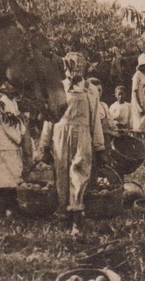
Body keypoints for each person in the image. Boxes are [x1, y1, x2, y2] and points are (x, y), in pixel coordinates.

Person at [38, 51, 106, 236]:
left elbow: (95, 120)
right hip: (60, 132)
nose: (74, 72)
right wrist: (44, 144)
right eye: (71, 67)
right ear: (65, 68)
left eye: (78, 68)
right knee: (61, 171)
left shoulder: (90, 90)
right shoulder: (58, 87)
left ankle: (76, 215)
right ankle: (62, 213)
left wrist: (99, 146)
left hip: (82, 133)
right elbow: (50, 117)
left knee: (80, 171)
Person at [0, 89, 33, 217]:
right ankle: (0, 209)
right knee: (2, 178)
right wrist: (22, 133)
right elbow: (9, 125)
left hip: (9, 145)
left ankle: (8, 208)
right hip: (3, 144)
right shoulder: (3, 102)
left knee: (10, 177)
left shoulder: (12, 102)